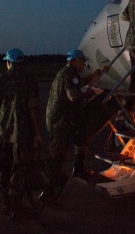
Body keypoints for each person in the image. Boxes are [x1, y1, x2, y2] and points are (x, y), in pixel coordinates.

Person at [40, 49, 108, 204]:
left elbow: (81, 82)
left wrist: (99, 73)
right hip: (61, 123)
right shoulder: (70, 74)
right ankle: (47, 193)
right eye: (83, 61)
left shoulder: (67, 73)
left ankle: (78, 169)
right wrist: (90, 94)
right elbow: (74, 96)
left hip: (63, 120)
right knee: (58, 157)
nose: (85, 64)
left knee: (80, 141)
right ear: (76, 60)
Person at [0, 48, 44, 220]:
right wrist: (38, 132)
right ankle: (15, 208)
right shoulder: (29, 80)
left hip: (3, 135)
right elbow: (33, 107)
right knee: (19, 169)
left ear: (8, 62)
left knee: (5, 168)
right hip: (23, 134)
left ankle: (6, 204)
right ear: (21, 62)